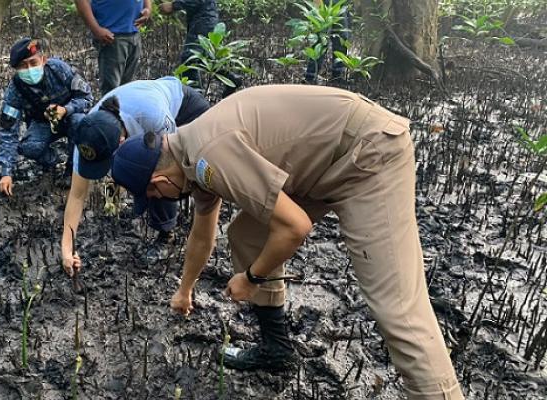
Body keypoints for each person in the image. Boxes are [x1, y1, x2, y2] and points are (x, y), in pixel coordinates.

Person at [110, 85, 464, 399]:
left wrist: (251, 278)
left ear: (157, 181)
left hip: (366, 155)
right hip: (325, 164)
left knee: (397, 304)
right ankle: (276, 348)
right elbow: (203, 234)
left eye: (156, 196)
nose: (162, 201)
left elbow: (294, 228)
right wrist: (185, 290)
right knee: (245, 234)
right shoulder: (190, 160)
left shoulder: (210, 153)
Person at [61, 77, 210, 276]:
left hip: (184, 108)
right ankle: (121, 205)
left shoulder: (153, 116)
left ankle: (167, 234)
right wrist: (67, 249)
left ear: (122, 141)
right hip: (138, 117)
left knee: (154, 177)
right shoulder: (88, 137)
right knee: (135, 171)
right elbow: (77, 195)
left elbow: (169, 165)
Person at [0, 37, 94, 197]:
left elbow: (86, 97)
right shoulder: (15, 91)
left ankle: (72, 168)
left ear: (43, 60)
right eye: (22, 66)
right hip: (42, 124)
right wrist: (6, 172)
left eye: (33, 63)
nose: (29, 69)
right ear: (16, 69)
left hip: (70, 117)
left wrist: (66, 109)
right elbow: (8, 132)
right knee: (28, 147)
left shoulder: (59, 70)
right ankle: (52, 162)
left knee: (80, 123)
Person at [157, 0, 241, 96]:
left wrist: (174, 5)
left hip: (203, 20)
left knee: (189, 59)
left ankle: (196, 98)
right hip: (204, 19)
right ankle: (232, 79)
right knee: (204, 58)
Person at [74, 0, 152, 94]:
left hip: (134, 33)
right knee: (111, 92)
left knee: (127, 89)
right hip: (112, 36)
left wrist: (148, 8)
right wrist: (96, 29)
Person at [305, 0, 351, 84]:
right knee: (321, 39)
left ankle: (337, 76)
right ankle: (310, 77)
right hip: (323, 3)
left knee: (342, 38)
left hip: (340, 4)